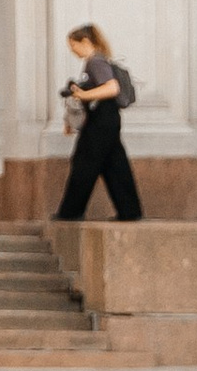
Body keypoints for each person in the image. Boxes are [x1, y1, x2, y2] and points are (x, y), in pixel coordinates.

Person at [55, 26, 143, 223]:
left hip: (101, 120)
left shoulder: (95, 61)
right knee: (115, 165)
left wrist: (83, 94)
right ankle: (130, 211)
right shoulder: (97, 62)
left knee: (84, 162)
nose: (72, 50)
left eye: (73, 45)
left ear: (86, 41)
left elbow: (112, 88)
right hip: (107, 119)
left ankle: (71, 211)